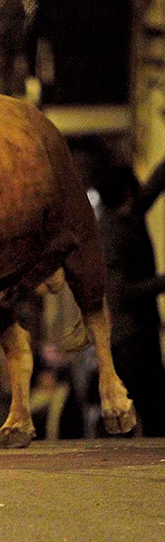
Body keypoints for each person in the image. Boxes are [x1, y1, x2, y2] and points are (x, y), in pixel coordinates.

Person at [92, 160, 165, 436]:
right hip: (130, 342)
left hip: (138, 336)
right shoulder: (113, 231)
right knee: (146, 417)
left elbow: (150, 190)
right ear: (126, 194)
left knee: (152, 416)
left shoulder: (124, 217)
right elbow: (121, 293)